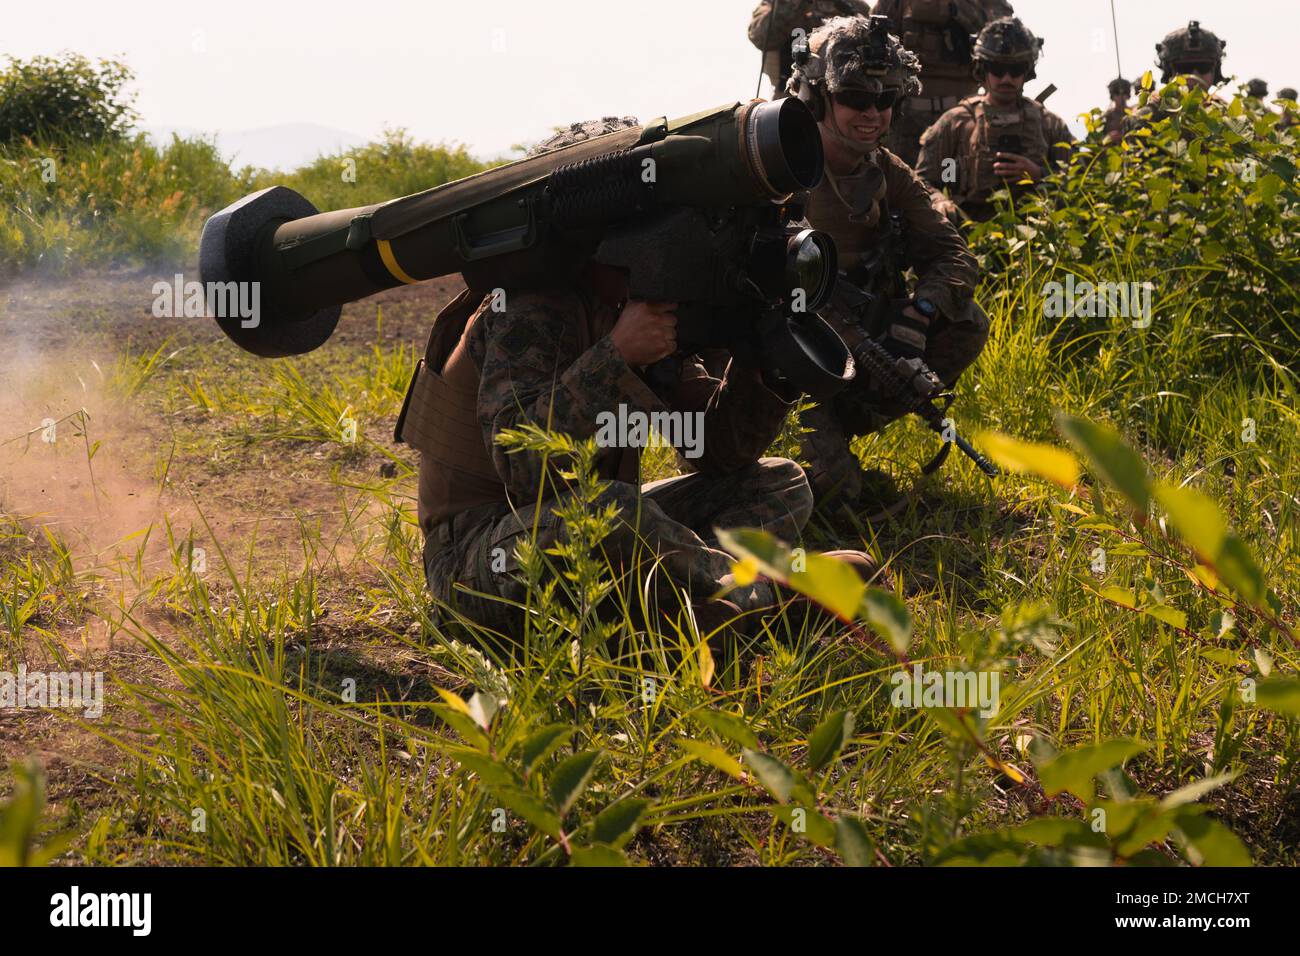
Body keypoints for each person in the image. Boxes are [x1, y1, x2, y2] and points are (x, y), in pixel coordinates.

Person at [408, 118, 872, 652]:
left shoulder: (641, 299)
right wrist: (617, 355)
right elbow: (524, 469)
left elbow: (717, 452)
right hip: (478, 558)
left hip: (581, 523)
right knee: (613, 509)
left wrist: (761, 369)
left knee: (779, 482)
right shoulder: (528, 306)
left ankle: (709, 609)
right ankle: (746, 597)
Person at [786, 15, 985, 508]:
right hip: (784, 353)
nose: (872, 112)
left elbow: (953, 255)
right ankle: (788, 445)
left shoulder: (885, 171)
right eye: (855, 97)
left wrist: (919, 314)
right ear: (816, 96)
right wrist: (846, 340)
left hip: (858, 340)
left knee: (966, 321)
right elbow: (761, 285)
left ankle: (844, 426)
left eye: (886, 99)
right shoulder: (781, 166)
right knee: (837, 497)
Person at [915, 16, 1073, 223]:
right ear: (983, 70)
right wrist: (940, 200)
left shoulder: (1050, 125)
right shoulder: (956, 124)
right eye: (998, 69)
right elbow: (926, 180)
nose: (1006, 78)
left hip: (1037, 237)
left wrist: (1039, 174)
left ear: (1027, 71)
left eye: (1015, 70)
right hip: (970, 235)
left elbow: (1076, 182)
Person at [872, 0, 1016, 167]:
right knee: (904, 179)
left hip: (961, 118)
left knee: (951, 177)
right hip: (905, 118)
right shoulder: (895, 4)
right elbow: (875, 40)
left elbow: (1004, 38)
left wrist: (956, 10)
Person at [748, 0, 874, 98]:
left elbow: (876, 39)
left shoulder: (853, 6)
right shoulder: (779, 5)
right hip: (791, 93)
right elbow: (761, 37)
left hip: (846, 97)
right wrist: (795, 6)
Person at [1102, 77, 1131, 144]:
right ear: (1112, 96)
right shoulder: (1107, 117)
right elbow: (1099, 140)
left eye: (1125, 93)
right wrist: (1108, 137)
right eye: (1117, 93)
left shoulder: (1135, 114)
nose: (1121, 96)